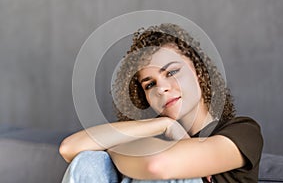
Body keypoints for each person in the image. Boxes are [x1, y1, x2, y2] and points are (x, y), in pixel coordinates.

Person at [59, 23, 263, 183]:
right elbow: (69, 148)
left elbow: (156, 165)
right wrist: (164, 125)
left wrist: (114, 148)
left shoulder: (242, 131)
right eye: (149, 85)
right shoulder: (157, 135)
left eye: (172, 72)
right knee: (90, 161)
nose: (161, 88)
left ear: (199, 72)